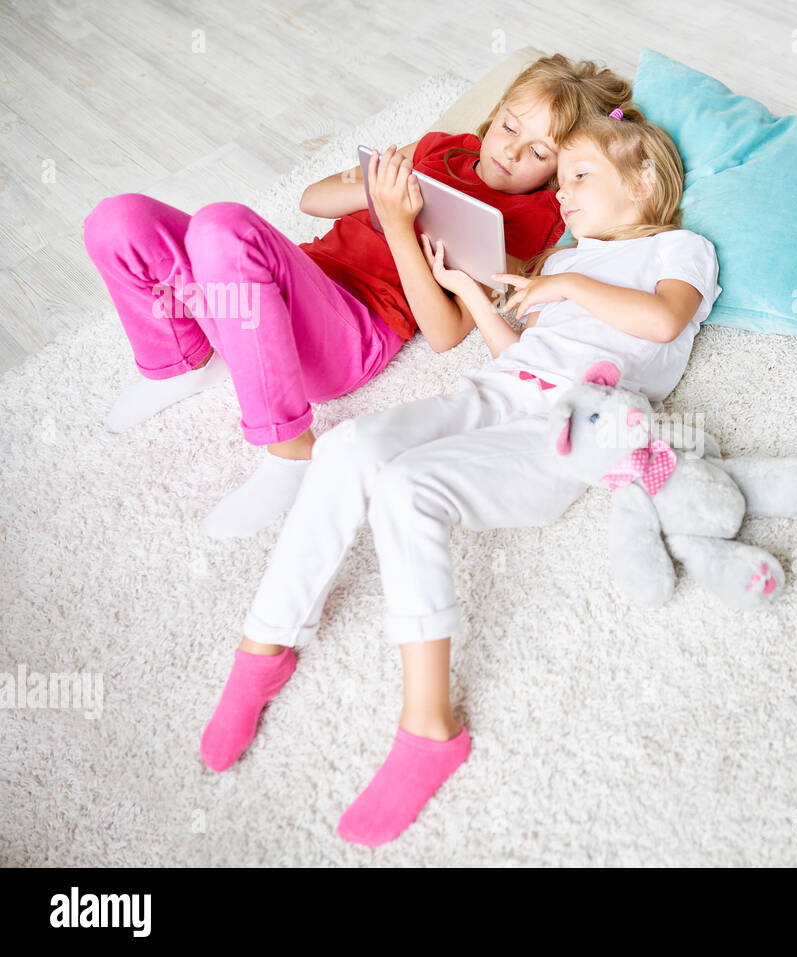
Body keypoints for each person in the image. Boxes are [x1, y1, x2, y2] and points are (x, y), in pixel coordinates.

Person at [199, 105, 722, 846]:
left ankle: (429, 727)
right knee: (348, 447)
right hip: (504, 389)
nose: (563, 194)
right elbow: (517, 350)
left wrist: (562, 291)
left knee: (411, 488)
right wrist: (475, 292)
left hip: (575, 422)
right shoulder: (568, 262)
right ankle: (263, 647)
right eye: (561, 180)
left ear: (644, 182)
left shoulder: (680, 248)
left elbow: (664, 321)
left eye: (579, 176)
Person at [82, 53, 631, 538]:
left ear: (558, 171)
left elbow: (444, 333)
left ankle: (291, 452)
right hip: (283, 285)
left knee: (222, 226)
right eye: (509, 125)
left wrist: (399, 224)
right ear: (497, 111)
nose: (511, 151)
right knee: (120, 219)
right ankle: (180, 361)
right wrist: (376, 184)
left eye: (538, 153)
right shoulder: (442, 148)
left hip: (351, 331)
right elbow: (311, 200)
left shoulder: (523, 219)